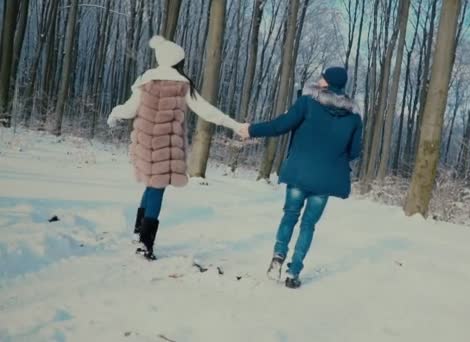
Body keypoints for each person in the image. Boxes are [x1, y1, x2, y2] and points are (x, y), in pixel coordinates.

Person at [107, 35, 246, 260]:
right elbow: (207, 110)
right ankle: (145, 243)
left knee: (151, 186)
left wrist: (114, 113)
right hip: (166, 148)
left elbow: (130, 109)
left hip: (145, 145)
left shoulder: (146, 80)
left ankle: (138, 232)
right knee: (157, 189)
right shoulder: (182, 84)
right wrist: (234, 125)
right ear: (177, 61)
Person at [239, 66, 363, 288]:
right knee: (308, 225)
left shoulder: (307, 103)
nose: (319, 79)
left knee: (290, 215)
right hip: (325, 181)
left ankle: (278, 256)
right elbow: (354, 152)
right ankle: (293, 272)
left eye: (322, 77)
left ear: (326, 82)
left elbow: (279, 126)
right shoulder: (354, 118)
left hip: (299, 173)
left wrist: (251, 130)